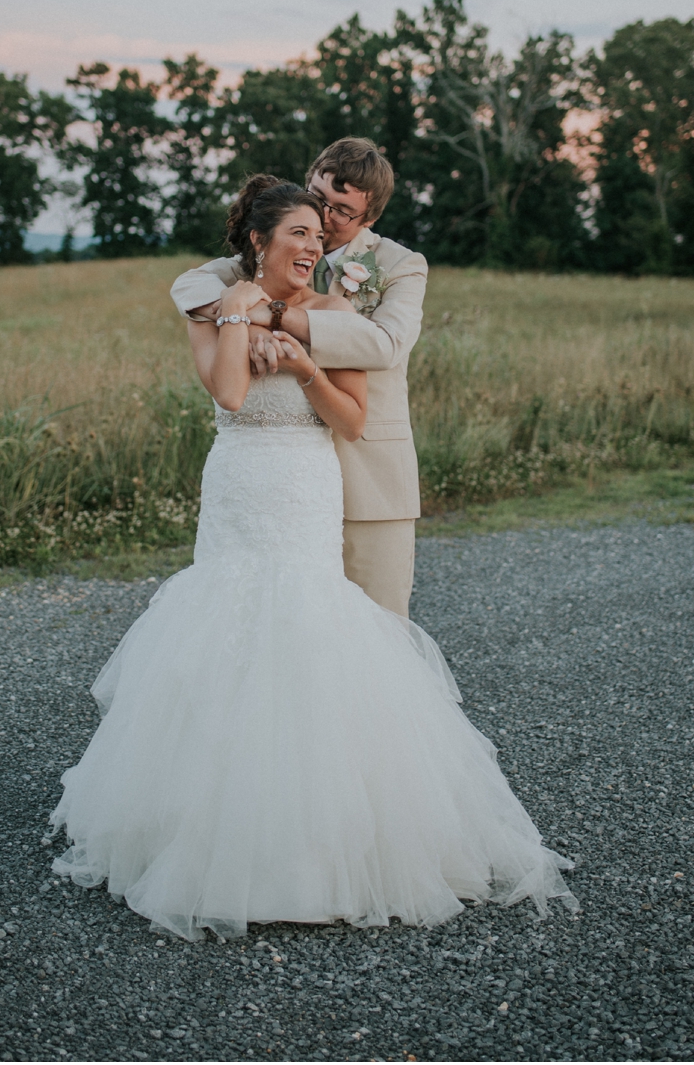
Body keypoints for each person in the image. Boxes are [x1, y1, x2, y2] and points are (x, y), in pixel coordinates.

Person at [49, 177, 574, 940]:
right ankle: (206, 834)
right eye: (298, 233)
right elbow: (229, 393)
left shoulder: (335, 315)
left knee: (307, 625)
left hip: (304, 483)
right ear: (259, 241)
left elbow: (353, 420)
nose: (312, 246)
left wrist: (304, 368)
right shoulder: (218, 304)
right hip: (236, 486)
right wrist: (238, 319)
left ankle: (317, 849)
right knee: (225, 628)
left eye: (319, 238)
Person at [171, 137, 425, 618]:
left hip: (369, 467)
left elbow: (385, 346)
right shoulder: (272, 243)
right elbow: (187, 287)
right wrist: (237, 314)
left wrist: (274, 318)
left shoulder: (399, 265)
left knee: (378, 626)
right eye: (318, 196)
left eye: (340, 210)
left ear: (368, 219)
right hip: (277, 483)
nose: (324, 220)